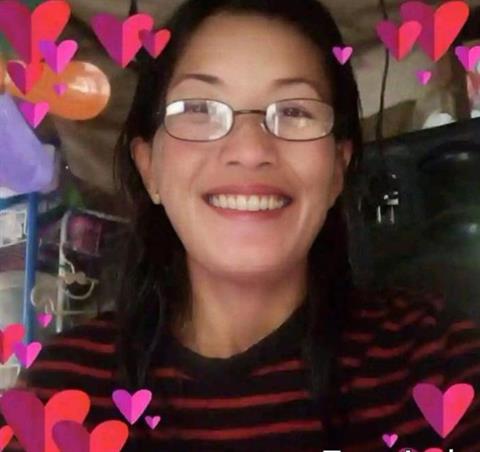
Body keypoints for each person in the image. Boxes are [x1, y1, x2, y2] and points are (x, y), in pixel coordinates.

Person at [2, 0, 480, 451]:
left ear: (339, 167)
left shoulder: (436, 364)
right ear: (149, 169)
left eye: (294, 111)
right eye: (198, 109)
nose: (250, 150)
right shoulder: (60, 395)